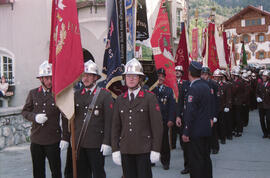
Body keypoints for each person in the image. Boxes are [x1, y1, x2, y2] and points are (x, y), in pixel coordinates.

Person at [111, 58, 163, 178]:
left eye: (135, 76)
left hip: (143, 149)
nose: (131, 78)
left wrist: (156, 149)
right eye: (128, 76)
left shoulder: (149, 98)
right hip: (126, 149)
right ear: (125, 78)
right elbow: (115, 127)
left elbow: (157, 126)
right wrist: (115, 149)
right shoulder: (120, 99)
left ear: (140, 78)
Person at [22, 61, 70, 178]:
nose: (49, 81)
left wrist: (65, 138)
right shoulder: (33, 93)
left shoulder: (58, 94)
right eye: (47, 78)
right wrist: (35, 117)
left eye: (51, 78)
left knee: (56, 171)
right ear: (41, 79)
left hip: (52, 139)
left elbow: (64, 117)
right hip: (36, 139)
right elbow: (25, 111)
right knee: (38, 172)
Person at [74, 60, 114, 178]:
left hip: (96, 143)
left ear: (95, 78)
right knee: (82, 173)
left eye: (89, 75)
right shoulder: (76, 95)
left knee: (98, 174)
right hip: (79, 142)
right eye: (83, 75)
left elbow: (109, 121)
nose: (85, 78)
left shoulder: (104, 95)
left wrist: (107, 142)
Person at [182, 61, 213, 178]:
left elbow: (190, 112)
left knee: (196, 161)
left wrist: (186, 131)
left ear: (189, 73)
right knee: (205, 158)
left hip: (195, 131)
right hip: (206, 129)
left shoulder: (193, 88)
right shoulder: (206, 85)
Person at [152, 68, 175, 170]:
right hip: (152, 120)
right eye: (158, 76)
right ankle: (152, 160)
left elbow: (172, 106)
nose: (160, 78)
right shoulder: (151, 90)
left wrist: (171, 119)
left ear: (164, 78)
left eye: (162, 76)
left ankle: (166, 162)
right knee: (152, 141)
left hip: (164, 120)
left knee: (164, 142)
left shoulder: (169, 90)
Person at [201, 67, 219, 154]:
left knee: (213, 131)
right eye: (202, 74)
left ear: (208, 75)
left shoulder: (213, 84)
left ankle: (215, 147)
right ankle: (206, 147)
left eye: (205, 74)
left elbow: (216, 100)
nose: (204, 76)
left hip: (212, 110)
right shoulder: (199, 83)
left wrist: (215, 114)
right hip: (203, 111)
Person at [256, 70, 270, 138]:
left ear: (268, 77)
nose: (263, 77)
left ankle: (269, 132)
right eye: (263, 76)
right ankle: (265, 133)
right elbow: (257, 92)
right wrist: (257, 97)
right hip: (261, 105)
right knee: (261, 120)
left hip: (268, 105)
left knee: (268, 119)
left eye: (265, 76)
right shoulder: (260, 84)